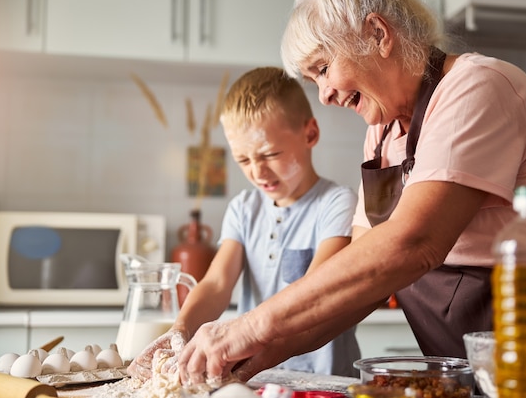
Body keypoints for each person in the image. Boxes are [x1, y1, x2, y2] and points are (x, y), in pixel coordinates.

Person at [176, 0, 526, 385]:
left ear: (378, 34)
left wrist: (249, 326)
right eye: (314, 81)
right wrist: (252, 358)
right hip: (481, 356)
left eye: (324, 68)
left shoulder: (476, 87)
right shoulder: (383, 132)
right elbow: (358, 278)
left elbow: (412, 243)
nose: (324, 94)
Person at [127, 66, 361, 381]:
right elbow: (216, 285)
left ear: (310, 134)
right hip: (258, 378)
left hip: (325, 380)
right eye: (244, 160)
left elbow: (317, 291)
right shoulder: (243, 208)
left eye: (270, 154)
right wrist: (180, 329)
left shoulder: (336, 204)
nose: (258, 173)